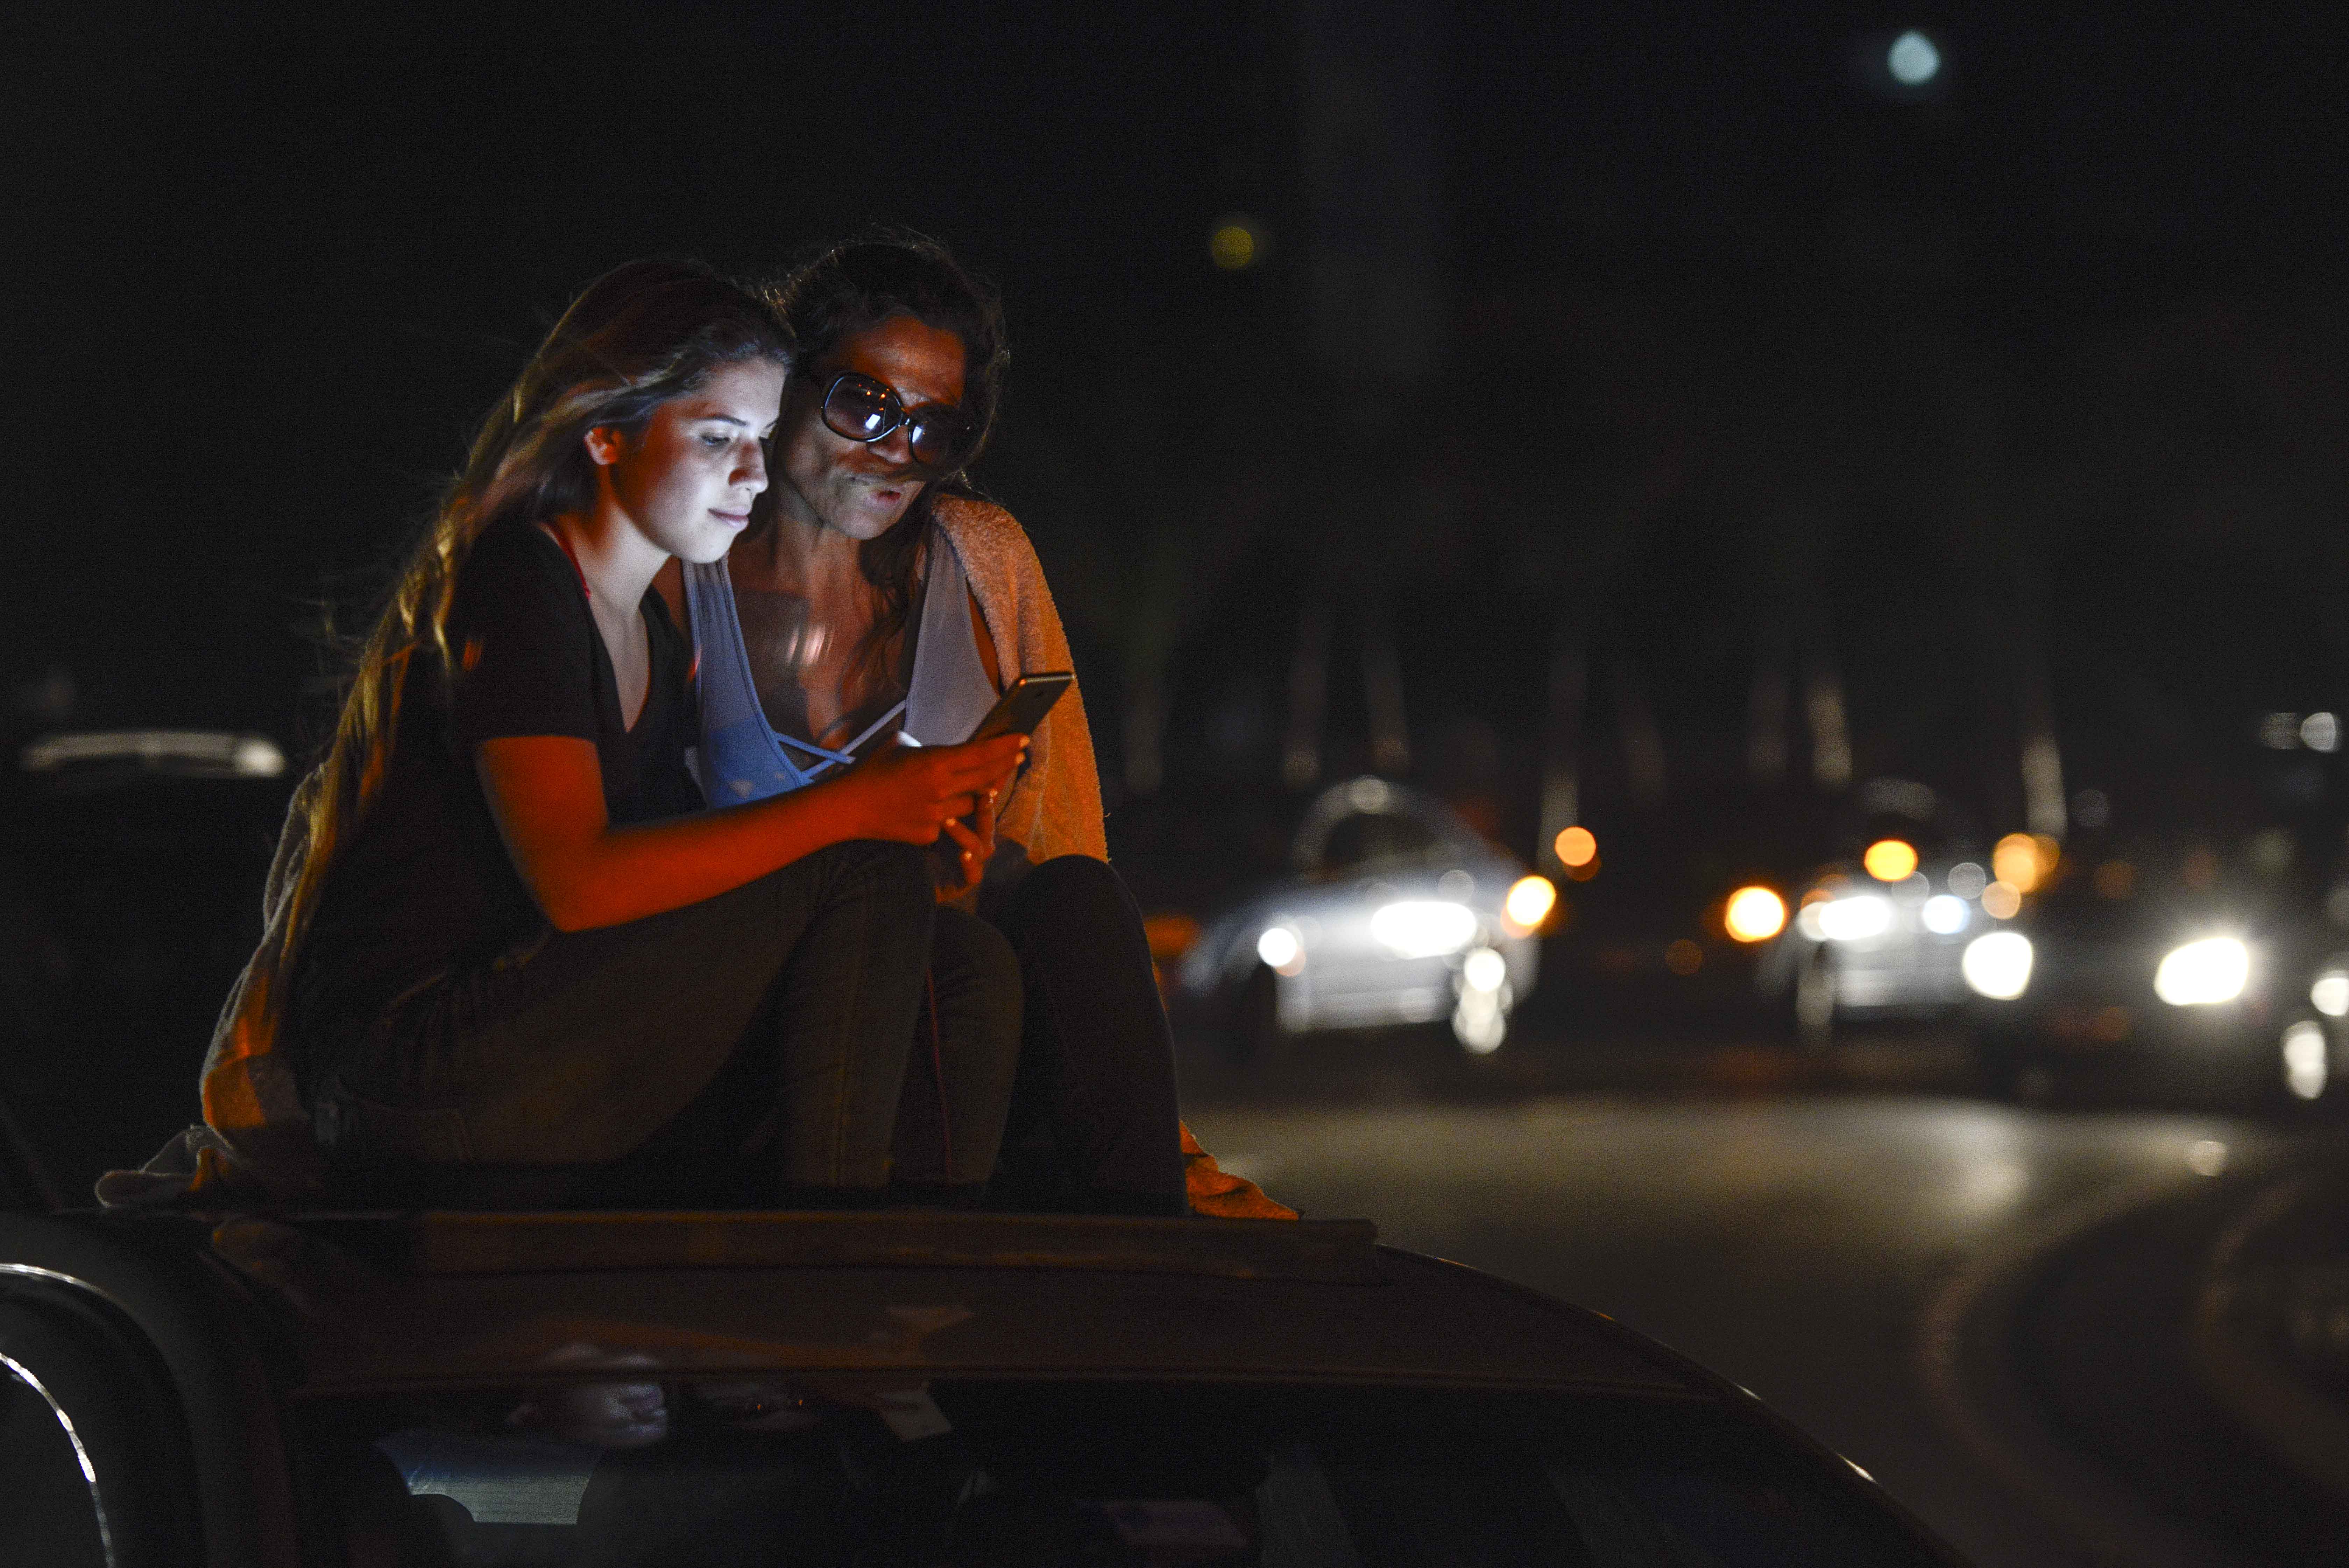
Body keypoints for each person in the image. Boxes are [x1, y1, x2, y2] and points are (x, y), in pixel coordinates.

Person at [102, 259, 1028, 1210]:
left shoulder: (659, 636)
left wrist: (904, 834)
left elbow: (680, 901)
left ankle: (909, 1294)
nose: (753, 477)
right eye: (718, 439)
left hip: (547, 1035)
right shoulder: (517, 580)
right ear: (605, 432)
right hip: (419, 1071)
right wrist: (854, 810)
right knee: (859, 865)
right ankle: (821, 1284)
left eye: (760, 439)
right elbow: (578, 879)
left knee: (962, 961)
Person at [659, 234, 1292, 1219]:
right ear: (785, 381)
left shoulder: (981, 559)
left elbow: (1062, 842)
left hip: (965, 1006)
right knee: (962, 970)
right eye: (864, 403)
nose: (896, 453)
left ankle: (1152, 1230)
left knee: (1071, 899)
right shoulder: (686, 565)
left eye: (934, 427)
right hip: (765, 1016)